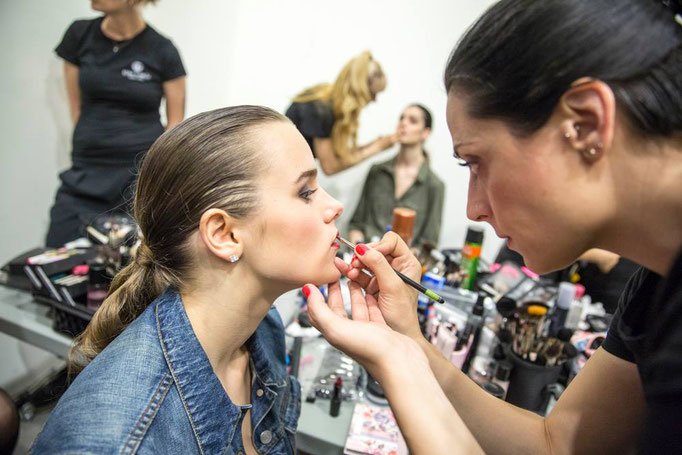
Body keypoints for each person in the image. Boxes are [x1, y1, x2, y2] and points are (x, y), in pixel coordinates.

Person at [302, 0, 682, 453]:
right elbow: (557, 443)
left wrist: (398, 363)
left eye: (477, 163)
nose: (472, 209)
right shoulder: (653, 293)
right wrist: (408, 341)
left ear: (585, 124)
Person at [33, 106, 344, 454]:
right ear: (224, 234)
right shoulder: (117, 441)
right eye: (306, 192)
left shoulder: (262, 328)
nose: (335, 206)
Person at [46, 0, 186, 247]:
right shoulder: (80, 35)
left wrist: (154, 177)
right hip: (85, 174)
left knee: (127, 268)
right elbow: (75, 107)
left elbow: (175, 125)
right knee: (57, 253)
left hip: (135, 178)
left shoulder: (162, 50)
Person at [285, 51, 397, 175]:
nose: (374, 100)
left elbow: (340, 156)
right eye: (373, 93)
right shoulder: (320, 109)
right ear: (360, 90)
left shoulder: (325, 95)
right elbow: (330, 167)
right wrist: (377, 148)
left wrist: (374, 144)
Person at [348, 104, 445, 247]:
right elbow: (356, 224)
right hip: (365, 254)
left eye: (412, 120)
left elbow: (428, 244)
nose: (403, 123)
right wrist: (360, 246)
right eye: (402, 118)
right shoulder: (377, 171)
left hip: (400, 265)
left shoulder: (434, 186)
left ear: (426, 132)